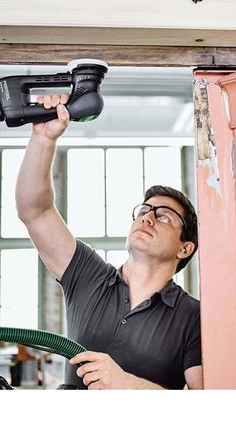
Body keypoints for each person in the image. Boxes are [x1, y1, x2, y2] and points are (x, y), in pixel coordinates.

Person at [14, 93, 203, 390]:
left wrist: (125, 384)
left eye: (164, 216)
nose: (147, 218)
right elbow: (34, 212)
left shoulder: (193, 317)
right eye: (144, 211)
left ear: (185, 248)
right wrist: (43, 139)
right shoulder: (88, 276)